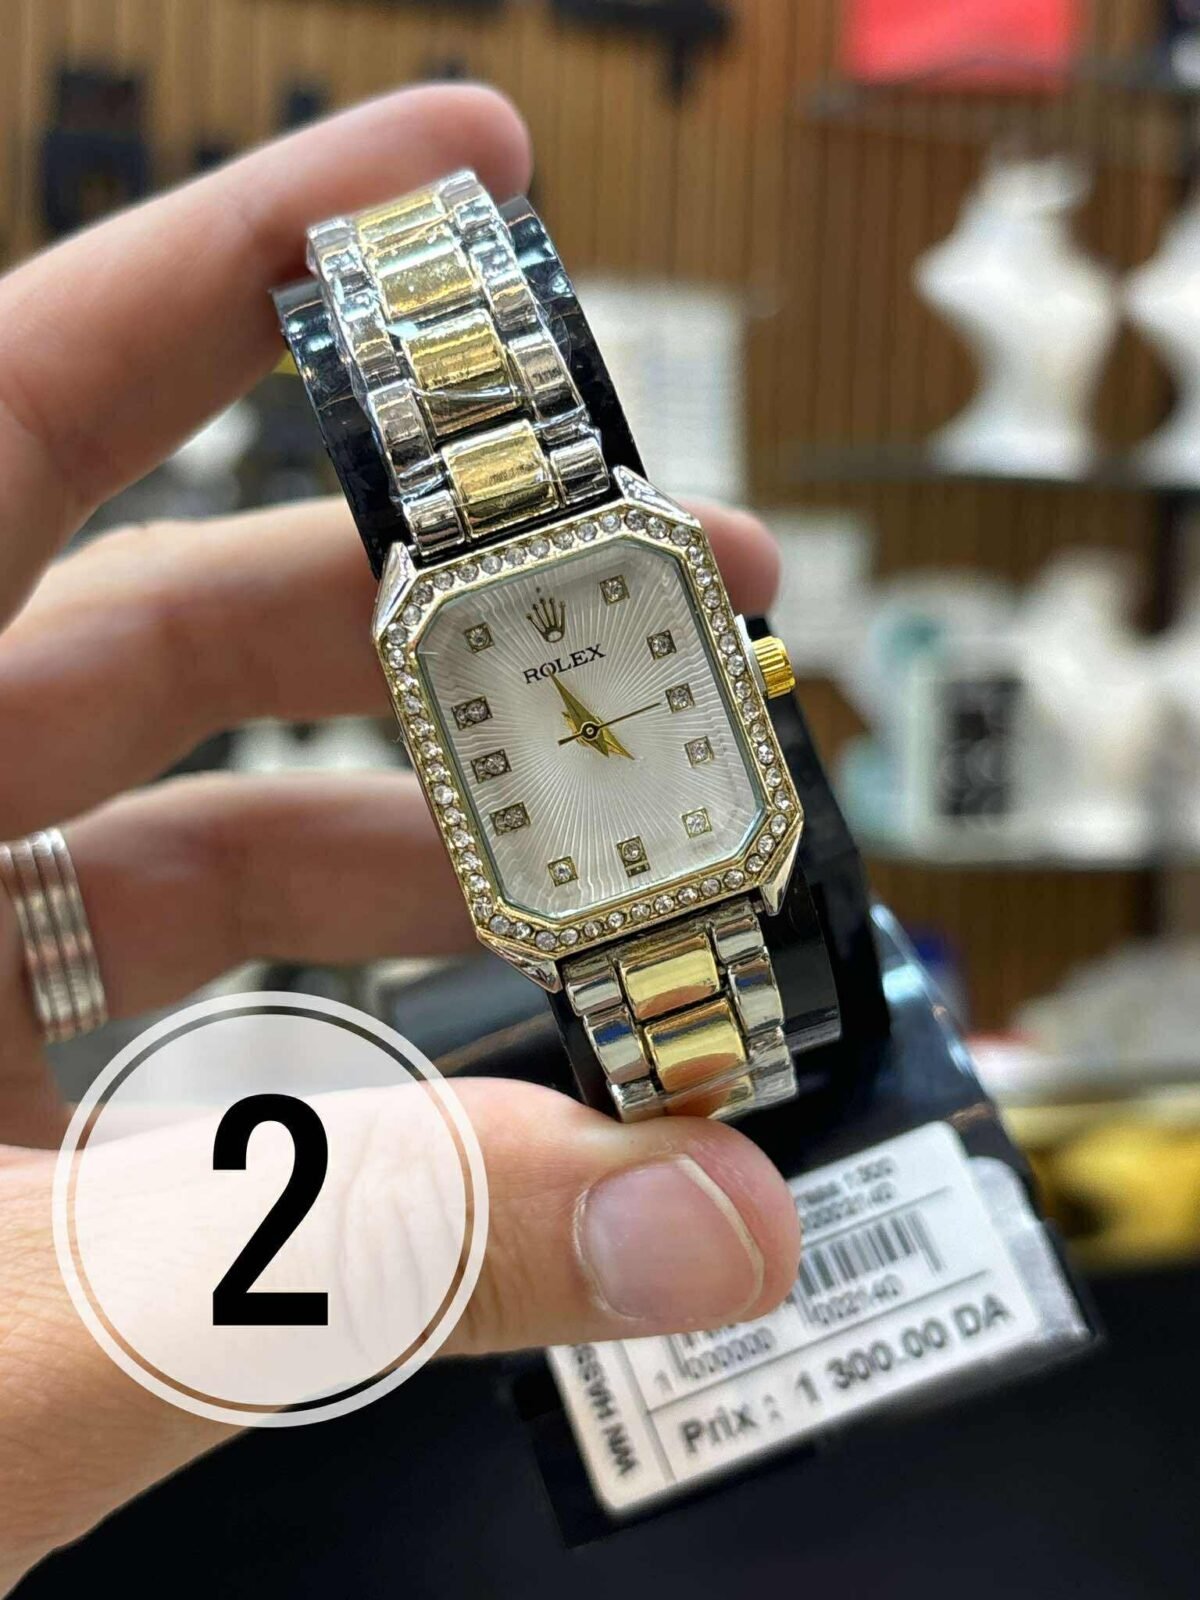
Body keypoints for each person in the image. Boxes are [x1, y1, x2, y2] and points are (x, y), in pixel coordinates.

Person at [0, 85, 801, 1589]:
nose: (585, 738)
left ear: (723, 657)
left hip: (690, 863)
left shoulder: (642, 566)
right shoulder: (456, 627)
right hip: (638, 888)